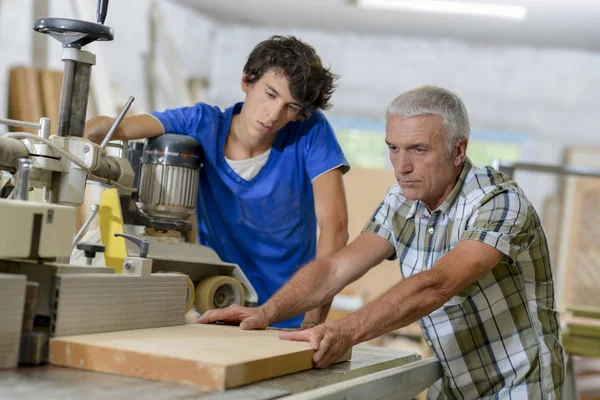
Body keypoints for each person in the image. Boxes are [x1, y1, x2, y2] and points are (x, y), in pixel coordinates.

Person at [198, 85, 566, 398]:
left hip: (520, 387)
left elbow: (435, 286)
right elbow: (335, 269)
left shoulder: (498, 200)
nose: (401, 165)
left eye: (418, 150)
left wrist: (344, 332)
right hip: (453, 385)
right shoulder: (399, 202)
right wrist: (266, 312)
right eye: (393, 148)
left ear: (458, 150)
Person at [84, 35, 350, 329]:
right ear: (247, 81)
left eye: (291, 107)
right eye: (270, 94)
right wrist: (79, 136)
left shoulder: (310, 132)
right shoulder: (201, 123)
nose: (274, 114)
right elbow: (117, 128)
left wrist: (312, 323)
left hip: (292, 316)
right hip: (221, 303)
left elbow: (335, 229)